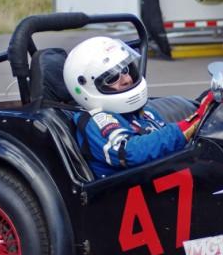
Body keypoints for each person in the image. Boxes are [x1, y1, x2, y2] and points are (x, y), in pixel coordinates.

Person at [63, 36, 213, 179]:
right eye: (112, 78)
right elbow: (130, 152)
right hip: (123, 196)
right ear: (89, 88)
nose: (127, 80)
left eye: (126, 70)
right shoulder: (97, 119)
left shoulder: (144, 113)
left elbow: (171, 146)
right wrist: (193, 121)